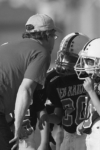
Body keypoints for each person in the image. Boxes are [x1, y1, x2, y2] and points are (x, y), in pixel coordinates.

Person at [0, 13, 57, 150]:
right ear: (48, 35)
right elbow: (25, 90)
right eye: (54, 36)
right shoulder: (41, 52)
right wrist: (17, 127)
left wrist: (10, 125)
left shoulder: (7, 46)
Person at [39, 32, 90, 150]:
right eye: (64, 56)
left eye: (71, 58)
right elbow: (57, 112)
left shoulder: (92, 77)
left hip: (89, 135)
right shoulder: (53, 79)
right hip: (67, 134)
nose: (65, 62)